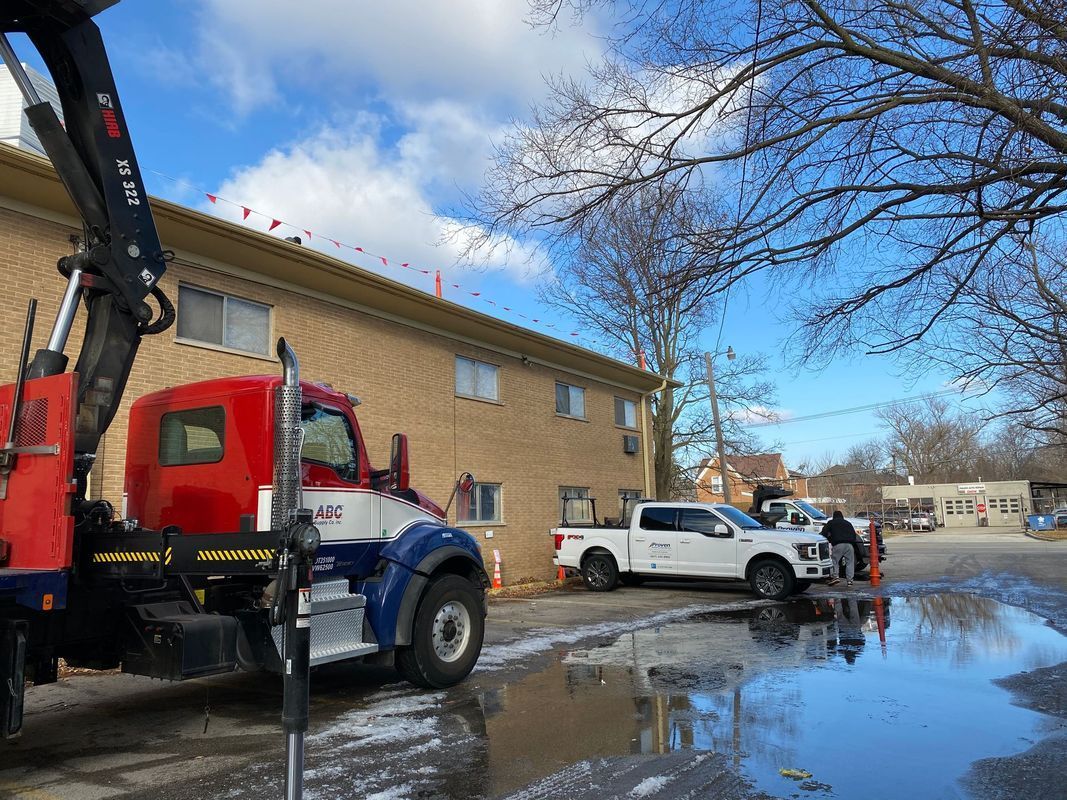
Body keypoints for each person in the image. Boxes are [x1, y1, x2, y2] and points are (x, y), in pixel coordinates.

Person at [820, 509, 860, 586]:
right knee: (850, 563)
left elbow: (824, 532)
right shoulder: (848, 523)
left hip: (838, 544)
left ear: (834, 516)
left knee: (835, 561)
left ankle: (835, 577)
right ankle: (850, 581)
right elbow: (854, 535)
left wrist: (829, 539)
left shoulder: (831, 522)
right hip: (849, 545)